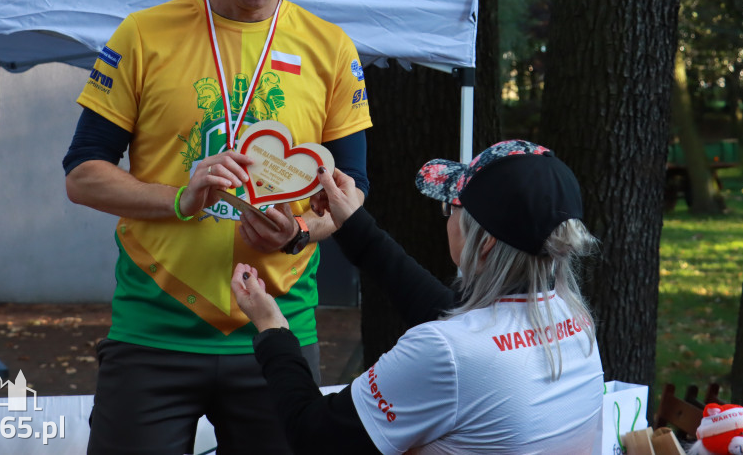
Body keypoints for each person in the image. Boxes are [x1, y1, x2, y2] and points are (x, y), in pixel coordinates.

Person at [63, 0, 373, 455]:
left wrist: (301, 231)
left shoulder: (331, 48)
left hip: (276, 331)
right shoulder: (143, 35)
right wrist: (180, 197)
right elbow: (83, 174)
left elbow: (353, 186)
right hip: (153, 333)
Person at [231, 140, 604, 455]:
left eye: (450, 207)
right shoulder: (575, 320)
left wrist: (273, 329)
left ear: (485, 241)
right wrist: (352, 223)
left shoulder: (449, 351)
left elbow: (313, 436)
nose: (446, 218)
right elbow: (444, 310)